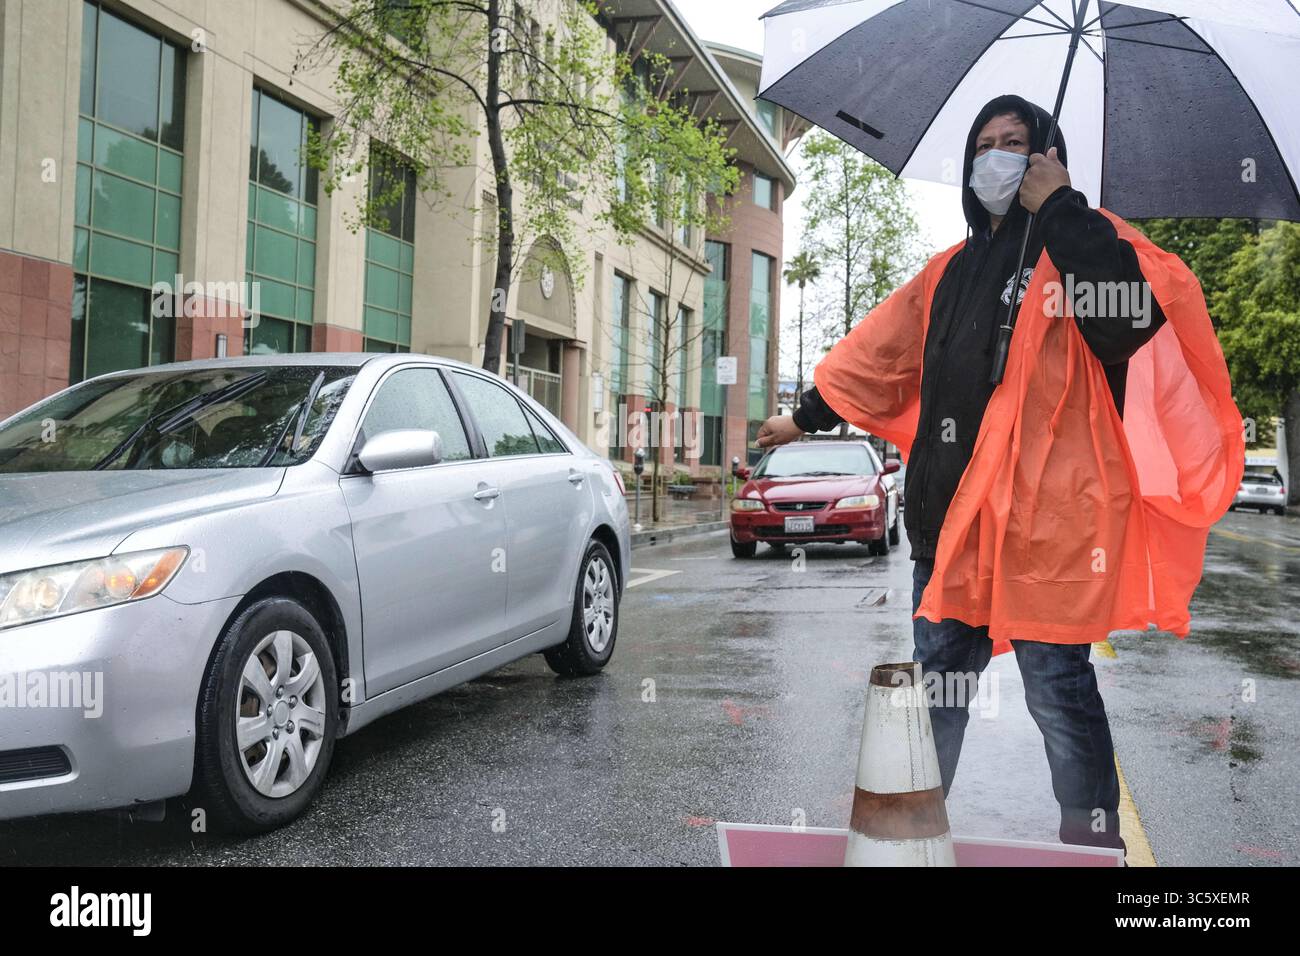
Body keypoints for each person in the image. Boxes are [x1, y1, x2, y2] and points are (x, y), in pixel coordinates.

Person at [757, 94, 1200, 854]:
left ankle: (1094, 852)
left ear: (1044, 157)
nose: (996, 157)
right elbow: (877, 353)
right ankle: (905, 846)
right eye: (984, 145)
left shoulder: (1078, 251)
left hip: (1048, 535)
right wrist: (804, 418)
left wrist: (1060, 206)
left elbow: (1127, 323)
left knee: (1060, 698)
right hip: (948, 526)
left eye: (1015, 143)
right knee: (935, 702)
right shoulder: (949, 273)